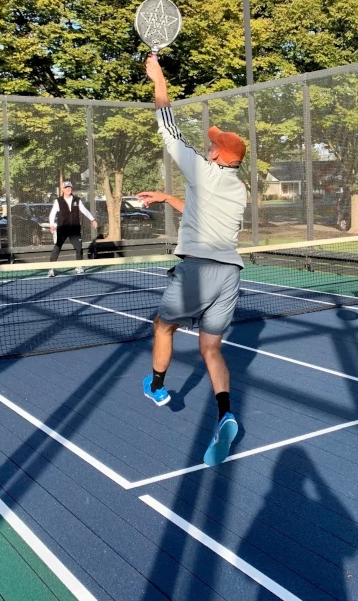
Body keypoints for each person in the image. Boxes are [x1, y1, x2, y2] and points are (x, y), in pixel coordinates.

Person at [136, 54, 248, 467]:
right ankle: (225, 414)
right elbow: (202, 211)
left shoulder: (202, 170)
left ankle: (159, 386)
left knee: (164, 325)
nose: (207, 147)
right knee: (211, 349)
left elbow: (167, 122)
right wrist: (167, 197)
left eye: (211, 145)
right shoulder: (239, 190)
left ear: (218, 156)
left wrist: (159, 76)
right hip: (230, 273)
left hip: (199, 269)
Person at [47, 181, 97, 277]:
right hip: (62, 229)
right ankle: (51, 269)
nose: (68, 189)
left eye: (69, 187)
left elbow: (84, 211)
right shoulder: (58, 201)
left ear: (72, 188)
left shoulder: (77, 200)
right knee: (57, 247)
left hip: (74, 230)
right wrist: (52, 225)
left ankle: (79, 266)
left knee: (79, 248)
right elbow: (52, 213)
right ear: (62, 189)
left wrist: (93, 219)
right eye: (66, 188)